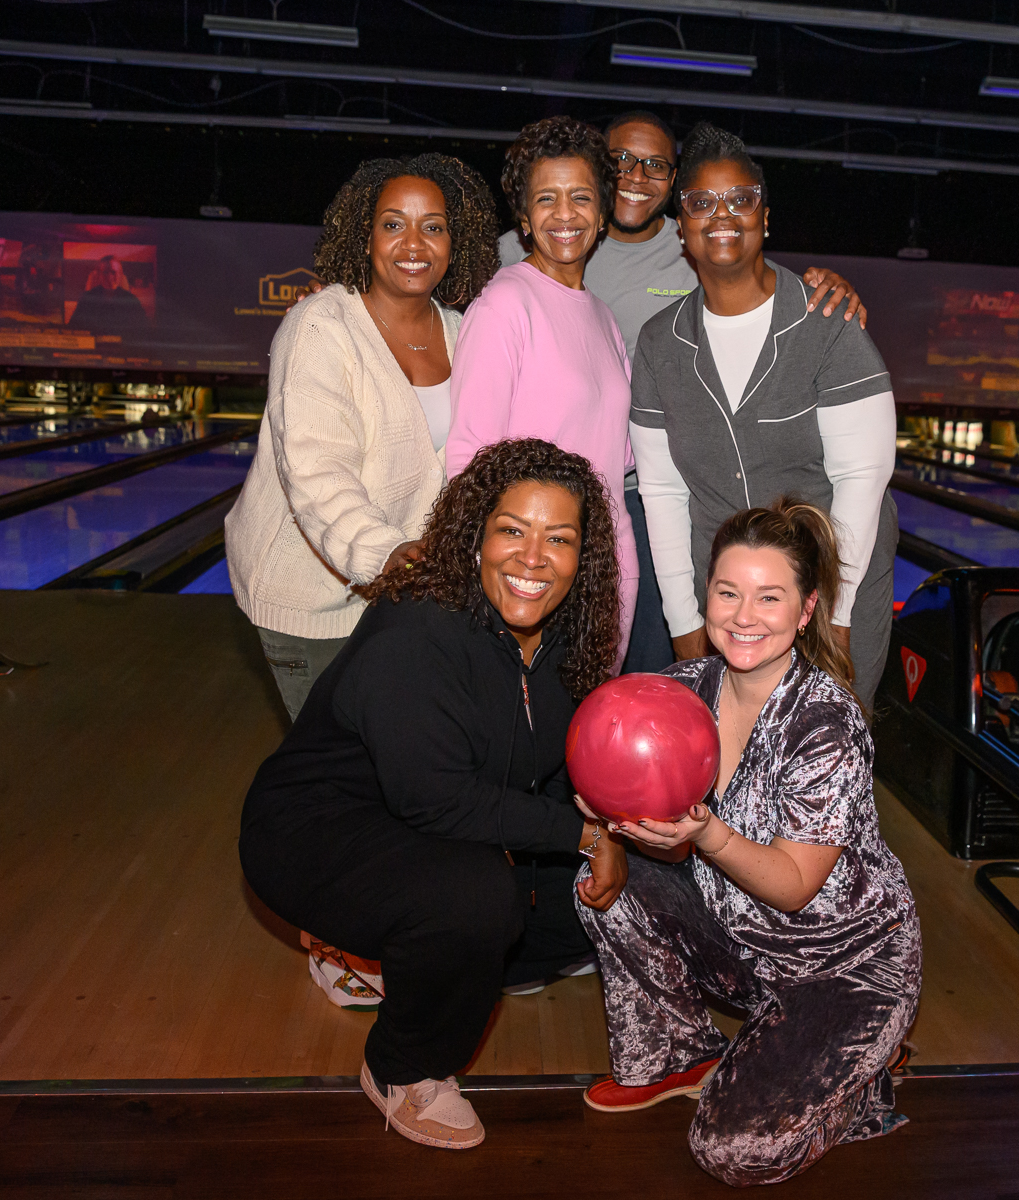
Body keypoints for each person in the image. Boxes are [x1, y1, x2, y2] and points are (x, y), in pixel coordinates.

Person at [239, 438, 632, 1152]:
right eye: (513, 530)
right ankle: (402, 1067)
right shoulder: (418, 630)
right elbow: (440, 802)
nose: (533, 558)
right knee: (478, 901)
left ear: (586, 556)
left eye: (560, 539)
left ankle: (403, 953)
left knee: (602, 908)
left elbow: (558, 764)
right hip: (316, 832)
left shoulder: (561, 634)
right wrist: (587, 839)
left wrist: (626, 825)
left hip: (428, 821)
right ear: (475, 534)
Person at [574, 499, 920, 1187]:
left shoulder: (826, 723)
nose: (742, 615)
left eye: (770, 597)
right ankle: (681, 1055)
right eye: (728, 592)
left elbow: (793, 886)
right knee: (604, 895)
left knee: (733, 1151)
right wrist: (609, 830)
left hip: (841, 967)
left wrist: (706, 832)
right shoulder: (680, 691)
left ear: (804, 610)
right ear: (706, 595)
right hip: (742, 941)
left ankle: (863, 1061)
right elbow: (664, 848)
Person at [497, 110, 869, 674]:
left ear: (674, 186)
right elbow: (437, 296)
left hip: (645, 498)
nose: (635, 176)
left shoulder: (690, 242)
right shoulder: (536, 241)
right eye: (620, 161)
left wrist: (825, 285)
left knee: (638, 667)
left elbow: (748, 271)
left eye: (655, 166)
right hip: (548, 501)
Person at [629, 122, 900, 706]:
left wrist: (838, 610)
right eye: (701, 202)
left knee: (823, 760)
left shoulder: (828, 324)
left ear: (765, 215)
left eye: (741, 199)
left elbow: (862, 480)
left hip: (828, 589)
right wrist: (684, 622)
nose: (722, 214)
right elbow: (663, 492)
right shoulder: (658, 344)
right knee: (726, 763)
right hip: (729, 601)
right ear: (681, 227)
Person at [225, 153, 497, 720]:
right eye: (393, 224)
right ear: (364, 234)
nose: (414, 243)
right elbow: (316, 472)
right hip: (313, 602)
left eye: (434, 226)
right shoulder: (321, 327)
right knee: (334, 779)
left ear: (457, 239)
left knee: (393, 771)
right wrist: (386, 553)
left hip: (407, 599)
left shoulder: (463, 331)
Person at [447, 116, 639, 662]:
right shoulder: (506, 304)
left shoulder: (602, 318)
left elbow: (617, 454)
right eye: (546, 199)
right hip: (534, 568)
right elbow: (469, 457)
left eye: (580, 197)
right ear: (525, 219)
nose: (564, 215)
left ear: (602, 215)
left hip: (605, 566)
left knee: (581, 739)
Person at [67, 255, 150, 336]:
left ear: (120, 275)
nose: (109, 276)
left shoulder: (131, 301)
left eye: (113, 272)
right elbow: (73, 328)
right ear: (99, 275)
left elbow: (143, 332)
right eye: (105, 272)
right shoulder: (87, 299)